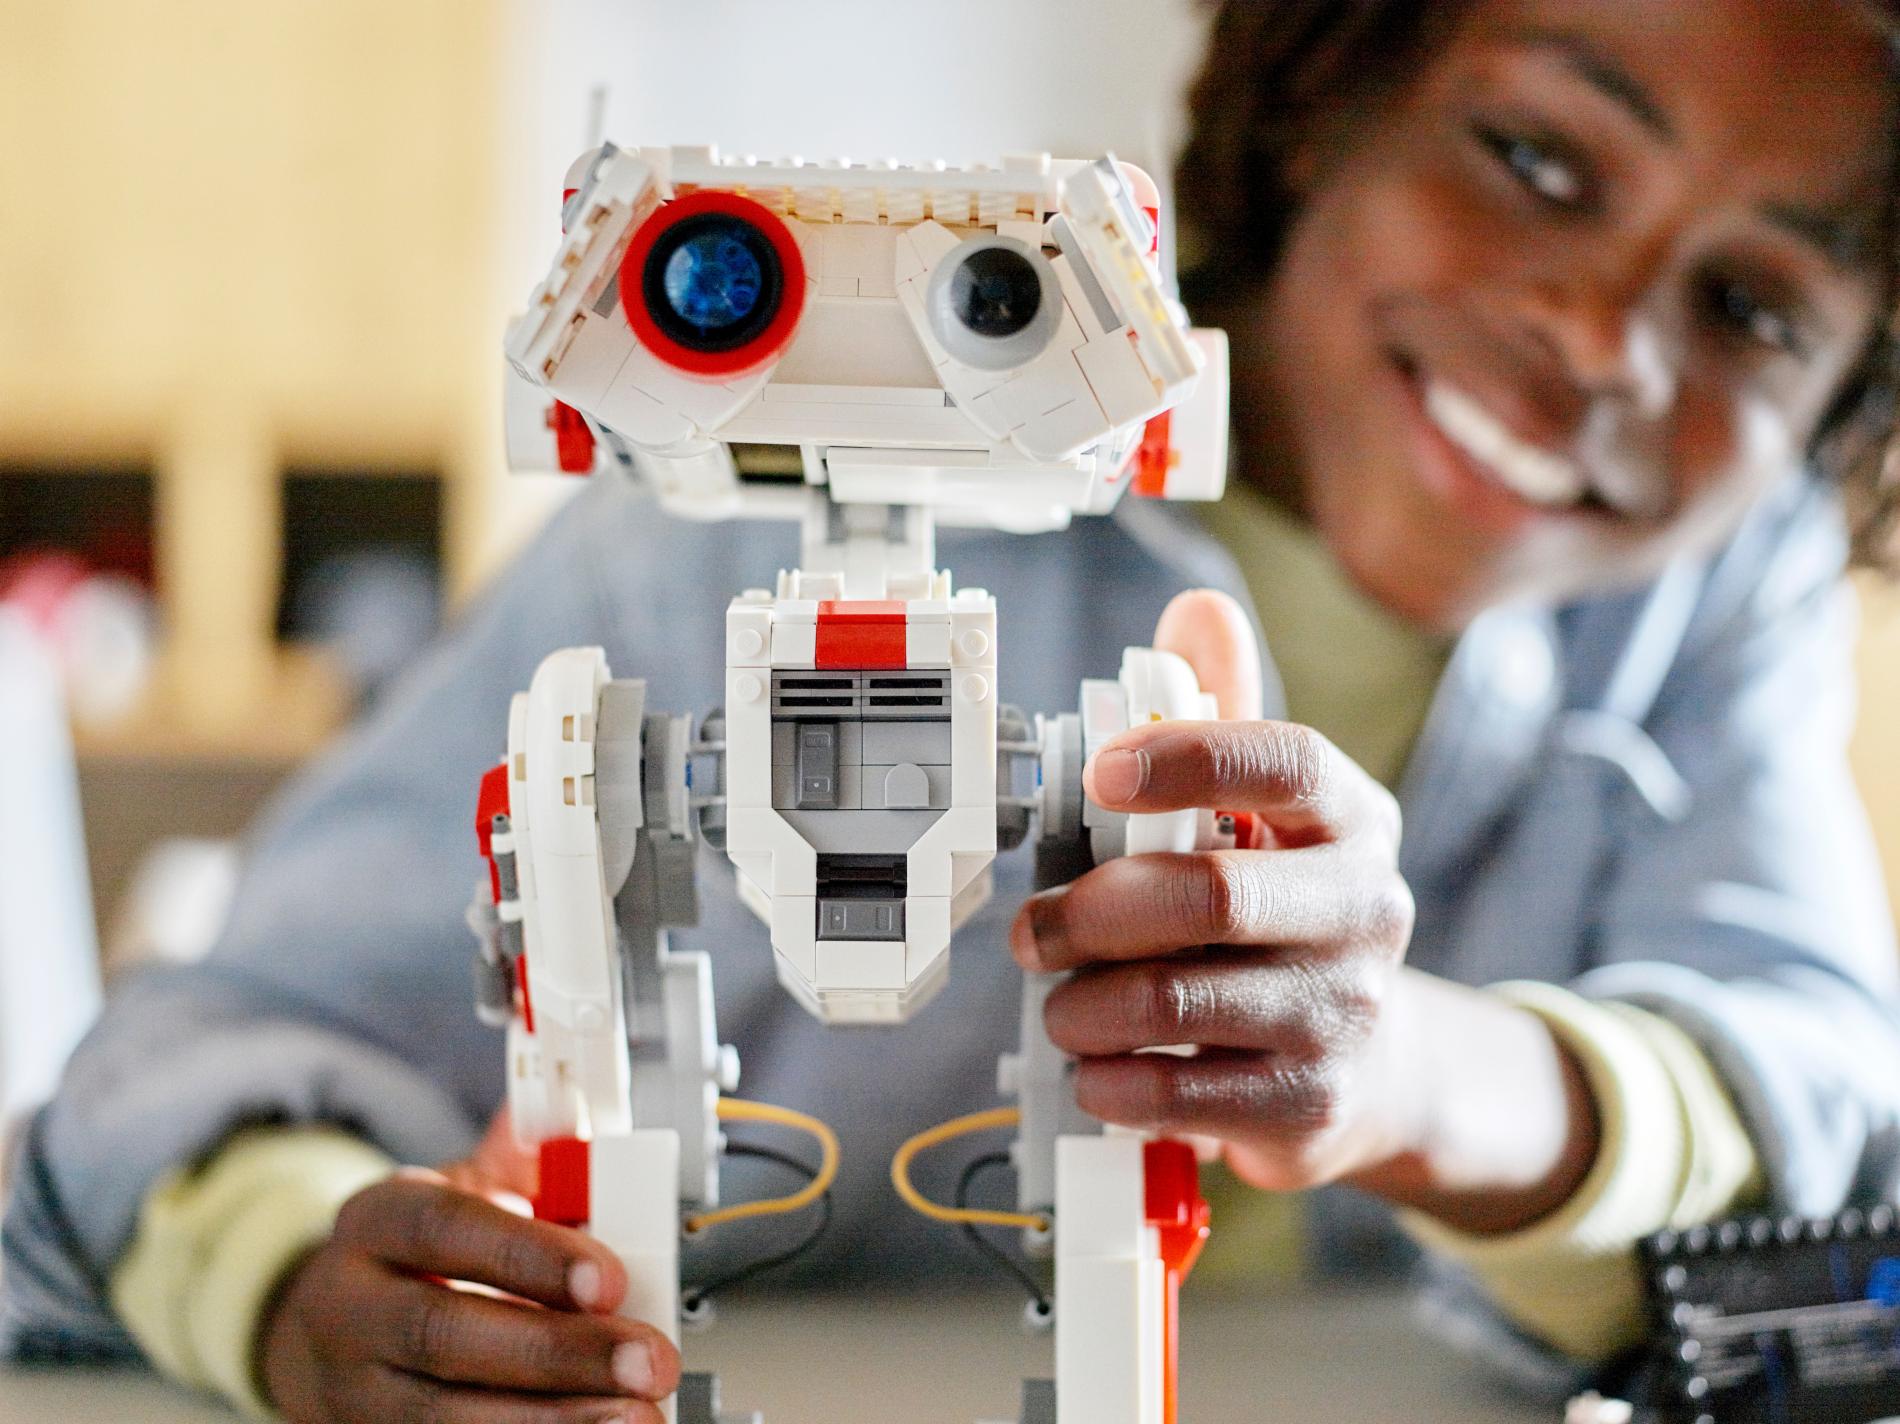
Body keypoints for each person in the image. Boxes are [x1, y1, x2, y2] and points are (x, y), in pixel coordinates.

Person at [7, 0, 1900, 1419]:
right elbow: (193, 1067)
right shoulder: (684, 556)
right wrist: (290, 1282)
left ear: (1844, 405)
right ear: (1330, 97)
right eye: (1538, 158)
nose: (1596, 334)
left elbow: (1834, 1142)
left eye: (1751, 309)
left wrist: (1409, 1078)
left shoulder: (1717, 615)